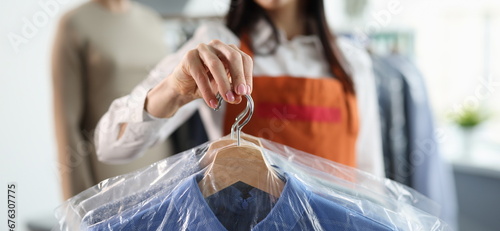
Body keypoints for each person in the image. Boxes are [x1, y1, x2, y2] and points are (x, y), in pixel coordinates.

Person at [94, 0, 384, 176]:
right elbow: (109, 146)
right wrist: (173, 90)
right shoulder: (215, 47)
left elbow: (369, 178)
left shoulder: (351, 62)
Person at [52, 0, 174, 199]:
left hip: (161, 170)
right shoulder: (74, 24)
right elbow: (66, 124)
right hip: (109, 178)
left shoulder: (152, 21)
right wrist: (76, 208)